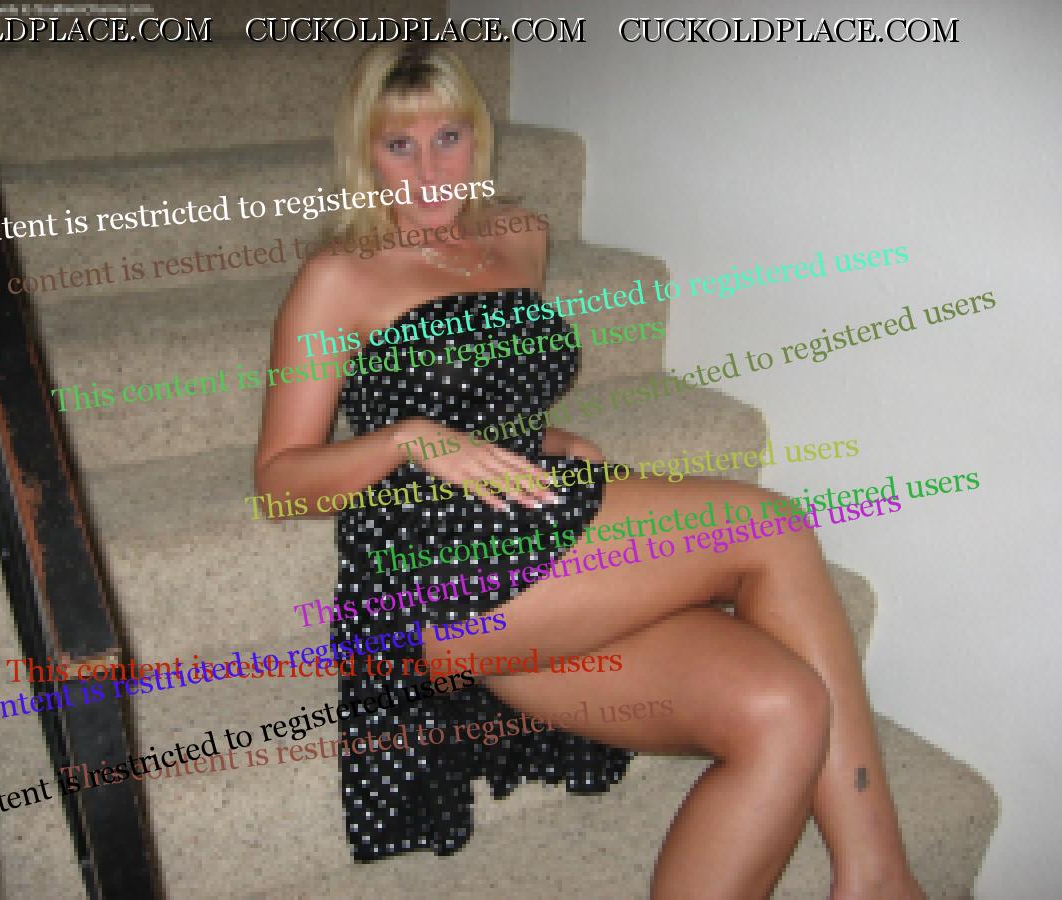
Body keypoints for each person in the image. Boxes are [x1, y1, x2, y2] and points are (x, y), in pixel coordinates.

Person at [253, 43, 925, 900]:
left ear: (477, 137)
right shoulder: (337, 277)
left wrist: (543, 434)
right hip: (434, 576)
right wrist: (407, 441)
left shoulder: (518, 236)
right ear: (364, 154)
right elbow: (280, 482)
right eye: (399, 146)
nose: (428, 170)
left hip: (535, 536)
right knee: (769, 526)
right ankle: (879, 882)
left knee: (785, 707)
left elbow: (486, 384)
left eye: (448, 137)